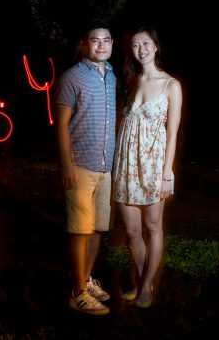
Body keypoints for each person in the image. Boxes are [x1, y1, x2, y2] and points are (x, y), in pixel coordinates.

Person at [113, 25, 183, 308]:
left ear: (155, 47)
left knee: (153, 226)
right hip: (126, 164)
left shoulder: (171, 85)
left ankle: (144, 289)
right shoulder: (132, 81)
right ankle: (146, 281)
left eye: (146, 44)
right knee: (131, 232)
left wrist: (167, 174)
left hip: (154, 167)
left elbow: (173, 132)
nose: (141, 49)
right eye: (135, 45)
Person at [55, 21, 117, 315]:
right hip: (80, 165)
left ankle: (86, 280)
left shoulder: (113, 77)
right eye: (95, 40)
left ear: (112, 44)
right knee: (79, 230)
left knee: (97, 229)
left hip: (106, 166)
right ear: (84, 44)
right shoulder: (72, 77)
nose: (101, 45)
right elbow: (62, 124)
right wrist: (66, 163)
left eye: (106, 40)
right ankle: (77, 293)